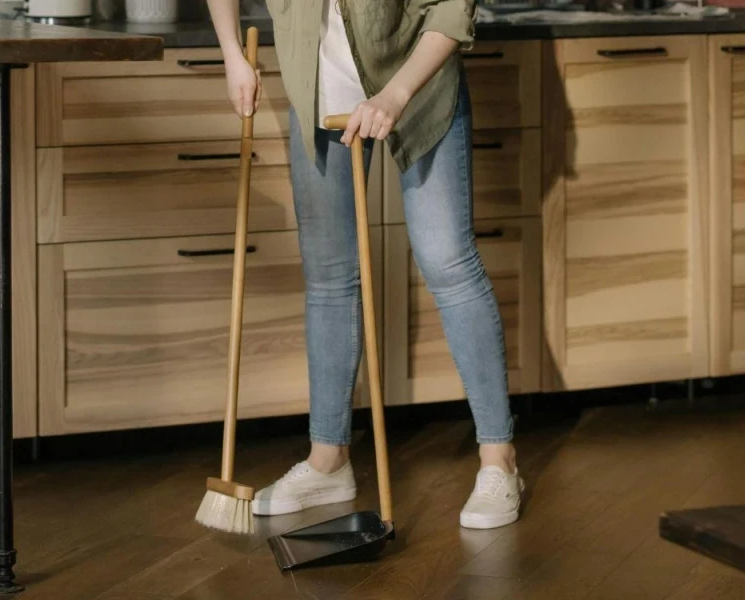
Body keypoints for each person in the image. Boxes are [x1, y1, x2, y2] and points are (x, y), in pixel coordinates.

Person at [206, 0, 523, 530]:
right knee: (329, 279)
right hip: (318, 91)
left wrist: (397, 93)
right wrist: (231, 54)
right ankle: (328, 460)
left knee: (449, 262)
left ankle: (499, 460)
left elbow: (453, 6)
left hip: (417, 85)